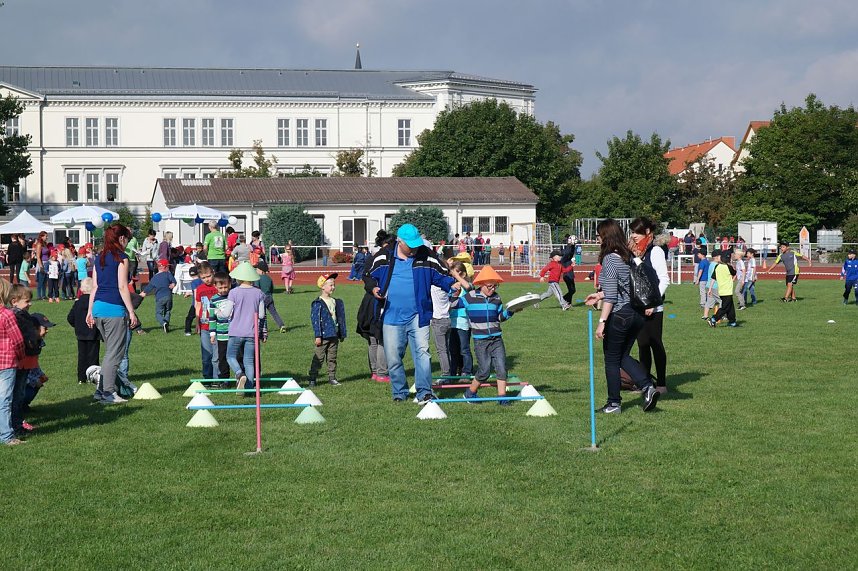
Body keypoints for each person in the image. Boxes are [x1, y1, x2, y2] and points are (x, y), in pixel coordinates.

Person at [365, 223, 470, 404]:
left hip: (418, 315)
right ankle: (399, 392)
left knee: (423, 353)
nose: (414, 248)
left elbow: (441, 274)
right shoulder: (384, 256)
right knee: (393, 357)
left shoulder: (426, 255)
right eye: (410, 245)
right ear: (399, 241)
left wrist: (450, 284)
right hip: (391, 316)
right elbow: (368, 275)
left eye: (416, 244)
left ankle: (424, 392)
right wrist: (373, 288)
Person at [584, 218, 660, 414]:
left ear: (606, 237)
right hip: (636, 314)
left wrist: (601, 322)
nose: (598, 240)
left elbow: (611, 298)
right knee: (622, 356)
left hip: (620, 315)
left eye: (599, 236)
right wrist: (598, 294)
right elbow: (623, 288)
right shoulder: (627, 256)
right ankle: (647, 387)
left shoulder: (609, 259)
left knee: (611, 359)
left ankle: (614, 403)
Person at [86, 224, 140, 405]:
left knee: (110, 352)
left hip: (98, 308)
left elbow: (94, 287)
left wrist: (89, 311)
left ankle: (101, 391)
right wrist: (131, 312)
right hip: (114, 309)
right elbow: (122, 286)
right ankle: (108, 392)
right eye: (127, 239)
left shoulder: (99, 258)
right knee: (114, 354)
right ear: (122, 239)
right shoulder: (122, 258)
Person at [451, 266, 516, 404]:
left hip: (496, 339)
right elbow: (453, 305)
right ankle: (470, 393)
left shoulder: (496, 298)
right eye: (490, 286)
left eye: (495, 286)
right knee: (484, 371)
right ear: (481, 284)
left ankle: (502, 397)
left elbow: (499, 318)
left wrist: (511, 312)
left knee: (502, 368)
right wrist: (453, 293)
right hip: (480, 341)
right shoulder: (470, 297)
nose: (493, 289)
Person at [629, 218, 670, 393]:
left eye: (636, 232)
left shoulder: (656, 251)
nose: (633, 236)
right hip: (638, 306)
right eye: (632, 232)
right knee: (642, 344)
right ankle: (644, 383)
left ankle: (661, 384)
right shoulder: (634, 252)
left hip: (653, 307)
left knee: (655, 343)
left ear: (647, 232)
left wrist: (653, 303)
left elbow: (664, 280)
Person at [356, 230, 393, 383]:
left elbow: (366, 278)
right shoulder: (387, 258)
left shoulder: (371, 258)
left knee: (373, 339)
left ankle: (375, 371)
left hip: (368, 301)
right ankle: (382, 372)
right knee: (381, 338)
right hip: (379, 301)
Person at [226, 262, 266, 390]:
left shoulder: (233, 292)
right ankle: (249, 387)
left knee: (230, 356)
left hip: (235, 331)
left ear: (238, 278)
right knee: (249, 361)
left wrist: (217, 312)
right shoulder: (259, 293)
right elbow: (261, 315)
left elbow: (226, 313)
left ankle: (239, 373)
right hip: (251, 333)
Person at [308, 273, 346, 387]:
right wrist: (318, 336)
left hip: (334, 335)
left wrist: (341, 333)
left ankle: (332, 377)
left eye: (334, 285)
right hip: (323, 336)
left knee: (332, 357)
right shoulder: (318, 303)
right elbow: (315, 321)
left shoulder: (335, 301)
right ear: (322, 286)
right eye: (330, 285)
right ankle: (313, 378)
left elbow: (340, 318)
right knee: (318, 358)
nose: (333, 287)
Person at [0, 278, 25, 446]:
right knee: (5, 400)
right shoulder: (7, 314)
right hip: (7, 362)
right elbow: (17, 340)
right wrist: (21, 355)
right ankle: (7, 435)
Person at [68, 277, 100, 383]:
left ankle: (81, 378)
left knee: (82, 356)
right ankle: (93, 377)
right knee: (93, 356)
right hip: (93, 332)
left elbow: (70, 318)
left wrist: (77, 325)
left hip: (81, 333)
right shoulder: (95, 303)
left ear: (81, 289)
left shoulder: (77, 303)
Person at [447, 261, 474, 378]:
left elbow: (468, 287)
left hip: (463, 322)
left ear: (462, 274)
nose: (453, 275)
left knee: (464, 349)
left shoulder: (467, 285)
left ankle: (467, 371)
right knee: (453, 349)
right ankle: (454, 371)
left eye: (457, 273)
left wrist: (457, 276)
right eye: (452, 273)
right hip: (452, 321)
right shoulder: (451, 286)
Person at [193, 262, 219, 379]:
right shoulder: (199, 289)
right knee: (206, 355)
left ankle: (217, 378)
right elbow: (198, 305)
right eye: (203, 278)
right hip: (204, 326)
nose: (207, 279)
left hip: (218, 326)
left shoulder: (219, 286)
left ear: (213, 272)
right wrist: (197, 322)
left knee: (216, 356)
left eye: (208, 276)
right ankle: (207, 378)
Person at [208, 272, 233, 383]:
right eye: (220, 287)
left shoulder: (233, 296)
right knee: (222, 358)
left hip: (234, 333)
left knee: (238, 356)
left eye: (225, 287)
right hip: (222, 335)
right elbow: (212, 318)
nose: (223, 290)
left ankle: (241, 377)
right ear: (215, 286)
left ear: (230, 285)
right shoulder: (213, 300)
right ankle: (224, 379)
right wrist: (212, 334)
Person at [141, 259, 176, 333]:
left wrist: (143, 293)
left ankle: (163, 323)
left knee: (158, 313)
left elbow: (149, 287)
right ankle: (166, 324)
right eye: (168, 267)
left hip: (159, 298)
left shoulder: (155, 278)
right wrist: (173, 284)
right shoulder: (168, 274)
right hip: (169, 296)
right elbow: (174, 281)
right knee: (168, 311)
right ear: (165, 267)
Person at [254, 259, 285, 333]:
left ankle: (264, 328)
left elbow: (257, 289)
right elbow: (271, 289)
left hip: (262, 298)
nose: (256, 271)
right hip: (269, 297)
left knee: (262, 314)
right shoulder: (269, 278)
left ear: (261, 271)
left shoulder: (257, 278)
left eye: (257, 269)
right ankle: (281, 325)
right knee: (274, 312)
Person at [708, 252, 738, 328]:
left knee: (730, 307)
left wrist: (710, 289)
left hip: (721, 290)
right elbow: (734, 273)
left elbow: (713, 278)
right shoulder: (728, 267)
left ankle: (732, 321)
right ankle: (714, 318)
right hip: (727, 290)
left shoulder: (717, 266)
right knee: (725, 308)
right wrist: (732, 266)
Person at [560, 236, 577, 304]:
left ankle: (568, 303)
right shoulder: (563, 259)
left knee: (572, 290)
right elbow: (567, 253)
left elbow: (571, 252)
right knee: (572, 290)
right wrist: (569, 244)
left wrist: (573, 245)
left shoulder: (569, 258)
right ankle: (563, 299)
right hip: (567, 276)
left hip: (571, 275)